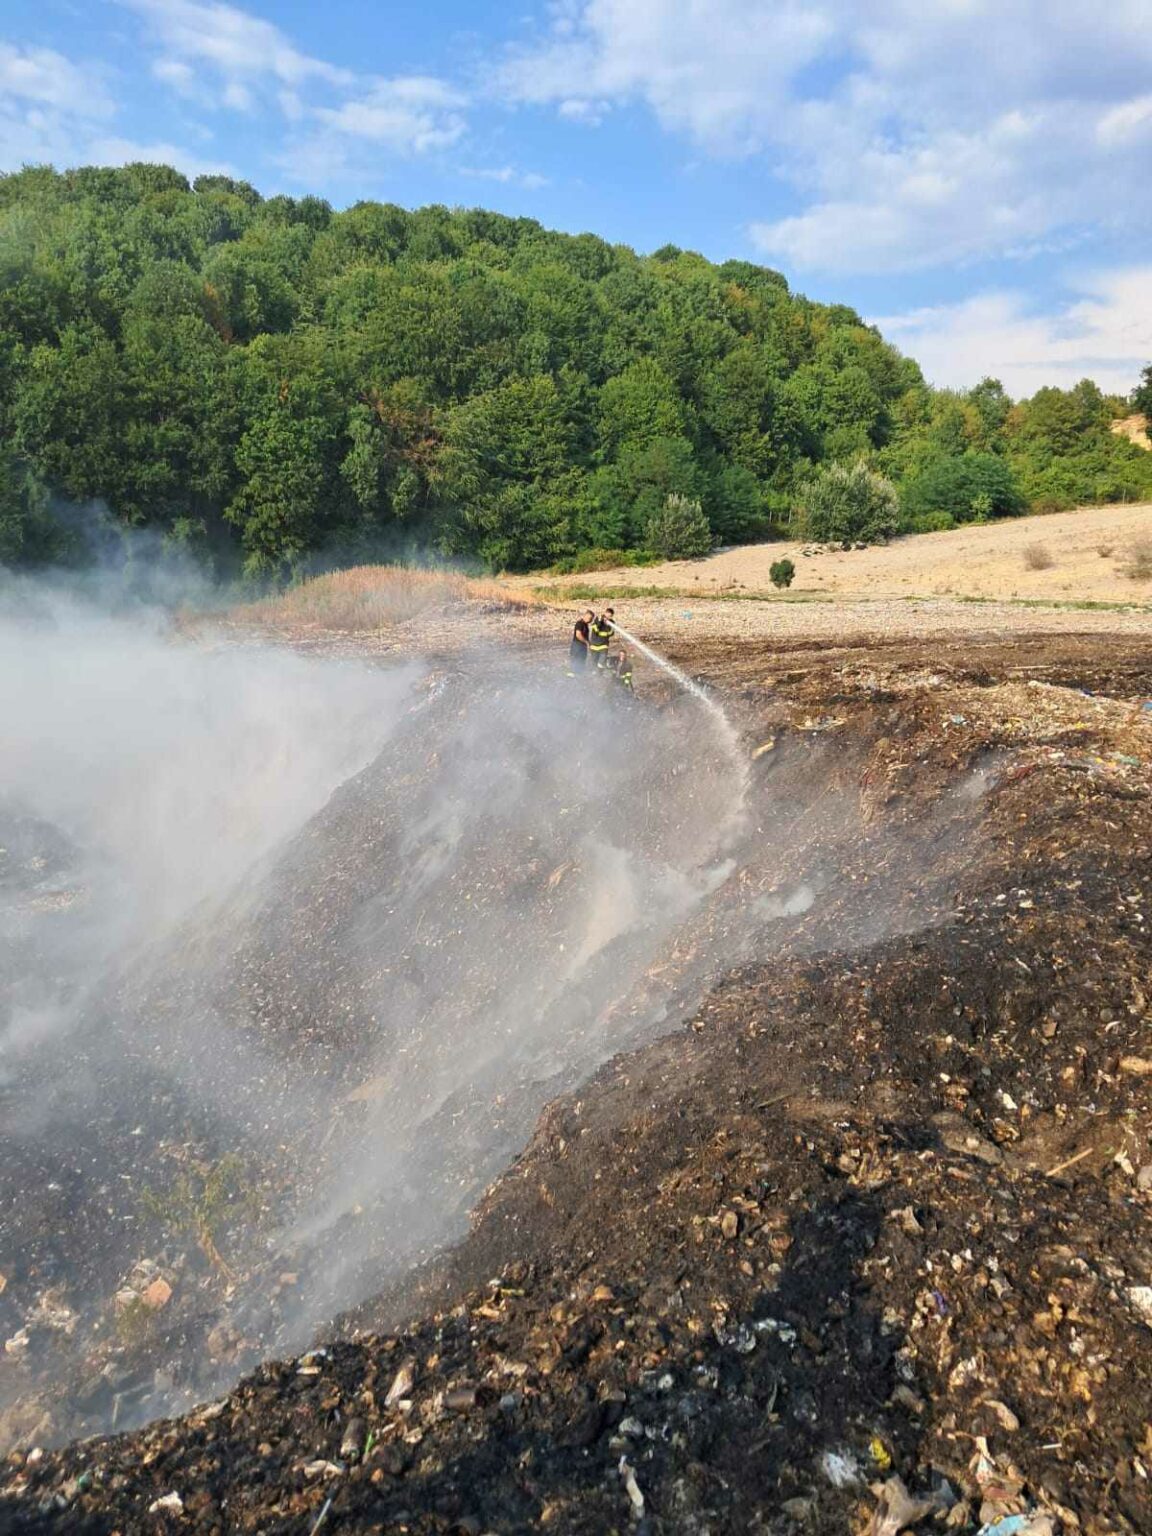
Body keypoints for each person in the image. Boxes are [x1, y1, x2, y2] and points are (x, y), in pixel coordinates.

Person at [568, 610, 593, 674]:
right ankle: (572, 677)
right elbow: (578, 635)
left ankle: (579, 676)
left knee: (581, 662)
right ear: (585, 616)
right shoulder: (579, 623)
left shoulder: (586, 625)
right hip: (577, 646)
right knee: (575, 662)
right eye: (589, 618)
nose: (590, 620)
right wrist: (586, 642)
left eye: (591, 619)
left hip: (582, 647)